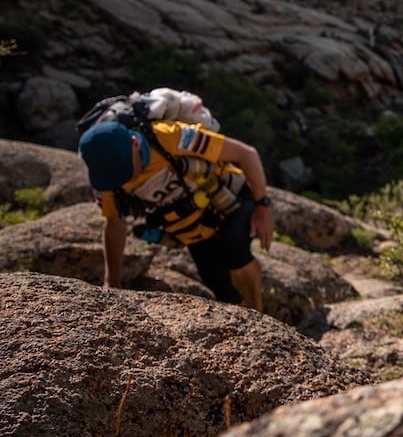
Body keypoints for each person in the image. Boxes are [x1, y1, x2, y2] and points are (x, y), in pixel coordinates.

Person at [77, 119, 274, 310]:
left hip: (230, 201)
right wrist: (112, 281)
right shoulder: (109, 180)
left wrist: (262, 207)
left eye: (125, 169)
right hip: (193, 231)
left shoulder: (170, 136)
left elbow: (246, 153)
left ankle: (262, 319)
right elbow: (114, 223)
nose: (123, 179)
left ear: (135, 143)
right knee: (222, 290)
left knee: (234, 250)